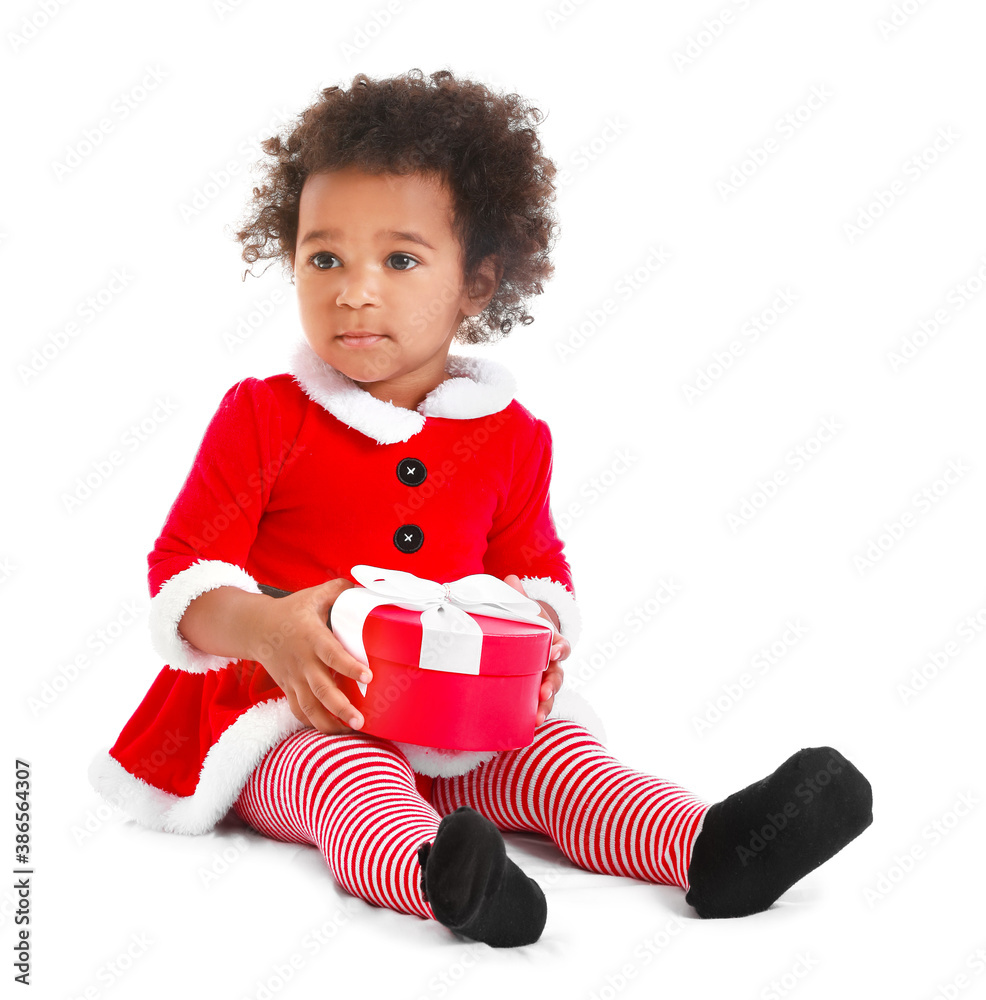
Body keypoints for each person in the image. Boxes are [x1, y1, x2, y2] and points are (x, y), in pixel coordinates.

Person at [88, 68, 872, 948]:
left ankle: (710, 846)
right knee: (346, 781)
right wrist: (269, 629)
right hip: (292, 714)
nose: (354, 290)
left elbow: (533, 570)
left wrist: (538, 637)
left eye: (400, 259)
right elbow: (183, 575)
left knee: (561, 761)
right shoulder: (267, 415)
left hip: (457, 711)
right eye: (324, 257)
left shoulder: (510, 437)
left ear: (479, 284)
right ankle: (445, 880)